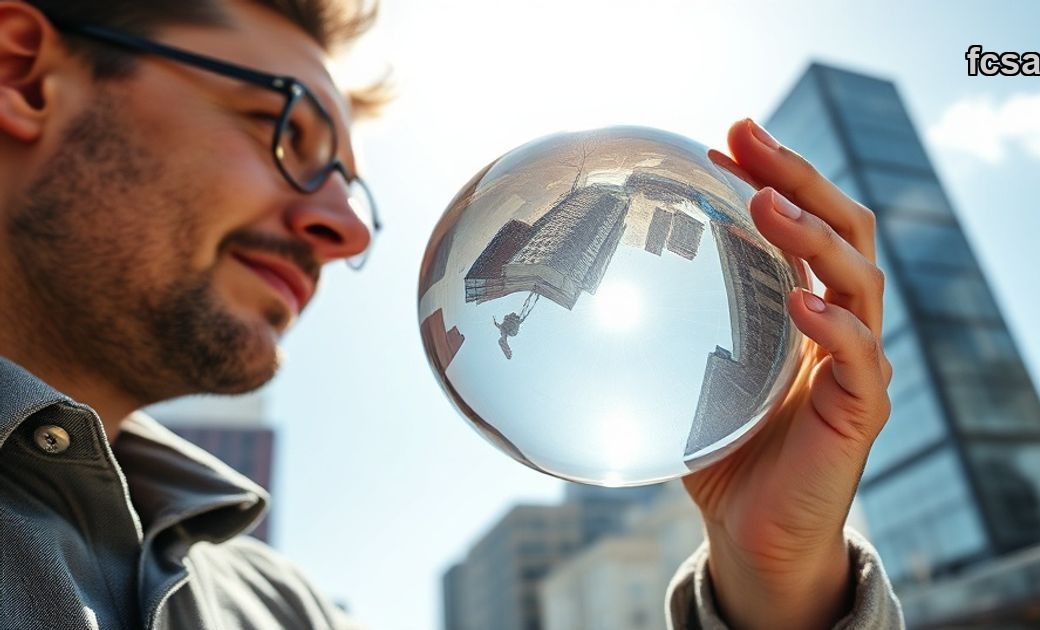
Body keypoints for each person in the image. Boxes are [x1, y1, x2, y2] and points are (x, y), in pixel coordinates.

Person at [0, 0, 903, 627]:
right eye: (283, 131)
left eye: (354, 188)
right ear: (23, 75)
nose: (348, 230)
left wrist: (773, 585)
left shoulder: (273, 608)